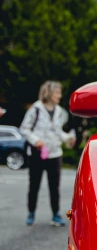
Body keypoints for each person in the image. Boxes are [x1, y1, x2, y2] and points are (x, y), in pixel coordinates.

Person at [20, 81, 76, 227]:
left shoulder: (59, 111)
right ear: (49, 93)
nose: (60, 95)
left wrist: (68, 138)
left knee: (54, 186)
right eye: (57, 92)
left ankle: (56, 215)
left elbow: (57, 132)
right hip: (37, 153)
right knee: (34, 185)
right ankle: (31, 213)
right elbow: (24, 129)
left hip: (55, 153)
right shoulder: (36, 109)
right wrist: (36, 140)